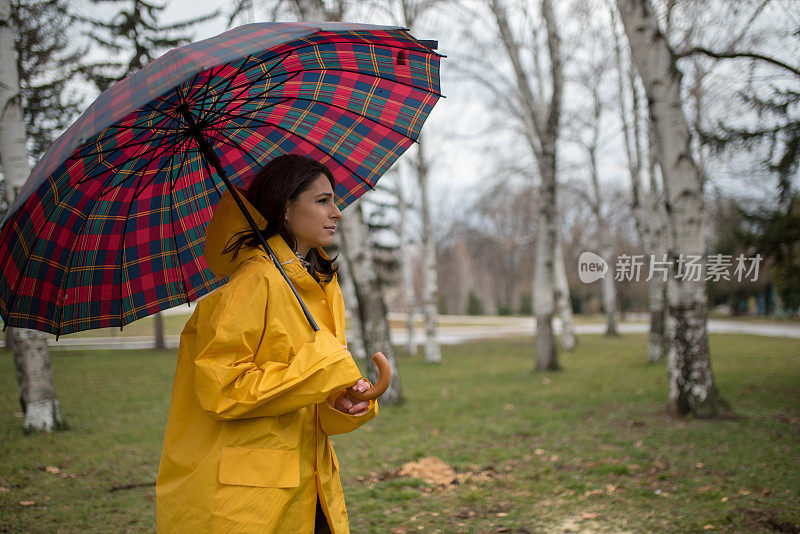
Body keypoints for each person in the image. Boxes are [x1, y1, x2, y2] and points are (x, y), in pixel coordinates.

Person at [155, 154, 378, 534]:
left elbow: (309, 393)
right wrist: (321, 368)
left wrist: (339, 402)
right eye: (322, 201)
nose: (337, 212)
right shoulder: (253, 282)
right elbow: (222, 388)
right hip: (251, 502)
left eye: (334, 199)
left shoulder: (320, 286)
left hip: (311, 486)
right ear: (286, 208)